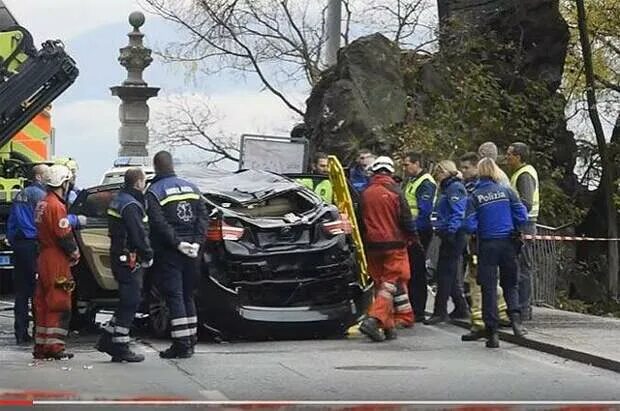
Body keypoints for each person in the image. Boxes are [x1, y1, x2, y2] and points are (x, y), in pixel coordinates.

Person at [146, 151, 208, 359]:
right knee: (188, 294)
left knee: (174, 295)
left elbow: (158, 223)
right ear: (172, 164)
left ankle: (181, 344)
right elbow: (203, 218)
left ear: (156, 167)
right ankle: (191, 339)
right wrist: (197, 243)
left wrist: (177, 243)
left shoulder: (154, 191)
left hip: (171, 251)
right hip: (193, 251)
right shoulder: (192, 188)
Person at [464, 158, 529, 348]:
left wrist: (479, 229)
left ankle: (492, 333)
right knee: (511, 284)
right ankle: (516, 323)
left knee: (489, 288)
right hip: (508, 243)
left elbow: (469, 224)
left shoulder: (475, 196)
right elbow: (522, 216)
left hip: (487, 245)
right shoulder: (508, 192)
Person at [96, 168, 153, 363]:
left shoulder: (120, 199)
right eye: (144, 181)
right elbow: (138, 233)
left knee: (126, 301)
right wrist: (148, 253)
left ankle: (107, 340)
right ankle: (120, 346)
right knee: (131, 301)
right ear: (138, 183)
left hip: (119, 256)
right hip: (129, 259)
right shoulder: (131, 204)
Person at [359, 156, 416, 341]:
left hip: (372, 245)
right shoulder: (395, 191)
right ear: (391, 172)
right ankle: (374, 320)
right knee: (390, 284)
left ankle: (388, 326)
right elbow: (406, 220)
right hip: (394, 244)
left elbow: (359, 221)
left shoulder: (365, 192)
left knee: (379, 284)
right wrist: (414, 239)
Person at [459, 153, 511, 341]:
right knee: (486, 280)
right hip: (500, 240)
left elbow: (470, 221)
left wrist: (472, 228)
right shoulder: (502, 187)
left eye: (466, 168)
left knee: (476, 280)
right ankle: (504, 313)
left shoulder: (475, 191)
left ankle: (479, 321)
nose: (462, 172)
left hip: (479, 242)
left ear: (477, 168)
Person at [33, 165, 80, 360]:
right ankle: (54, 346)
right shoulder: (57, 206)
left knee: (42, 301)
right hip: (56, 258)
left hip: (43, 256)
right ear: (63, 183)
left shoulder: (42, 203)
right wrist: (74, 251)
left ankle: (41, 346)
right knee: (58, 300)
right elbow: (63, 234)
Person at [7, 164, 49, 344]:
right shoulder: (41, 196)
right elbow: (47, 221)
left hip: (20, 244)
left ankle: (20, 332)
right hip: (33, 245)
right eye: (47, 174)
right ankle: (39, 331)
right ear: (39, 177)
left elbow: (12, 221)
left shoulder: (20, 194)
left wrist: (13, 240)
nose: (50, 178)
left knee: (21, 292)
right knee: (38, 290)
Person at [425, 160, 469, 325]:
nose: (437, 176)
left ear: (445, 172)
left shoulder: (454, 188)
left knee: (444, 273)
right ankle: (460, 306)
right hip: (448, 233)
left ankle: (440, 311)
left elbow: (458, 211)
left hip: (454, 235)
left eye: (438, 173)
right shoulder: (447, 188)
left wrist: (451, 231)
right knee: (447, 272)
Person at [402, 152, 436, 321]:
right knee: (412, 270)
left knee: (417, 271)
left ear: (417, 163)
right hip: (412, 230)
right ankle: (413, 308)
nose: (405, 168)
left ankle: (419, 310)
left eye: (407, 164)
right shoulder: (413, 181)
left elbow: (424, 211)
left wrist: (413, 232)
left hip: (419, 231)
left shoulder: (426, 182)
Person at [506, 142, 539, 320]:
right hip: (523, 223)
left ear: (518, 156)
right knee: (519, 266)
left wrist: (512, 216)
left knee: (523, 267)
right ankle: (520, 307)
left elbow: (525, 202)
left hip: (524, 224)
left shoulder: (524, 175)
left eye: (510, 154)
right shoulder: (520, 173)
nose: (507, 157)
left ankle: (524, 309)